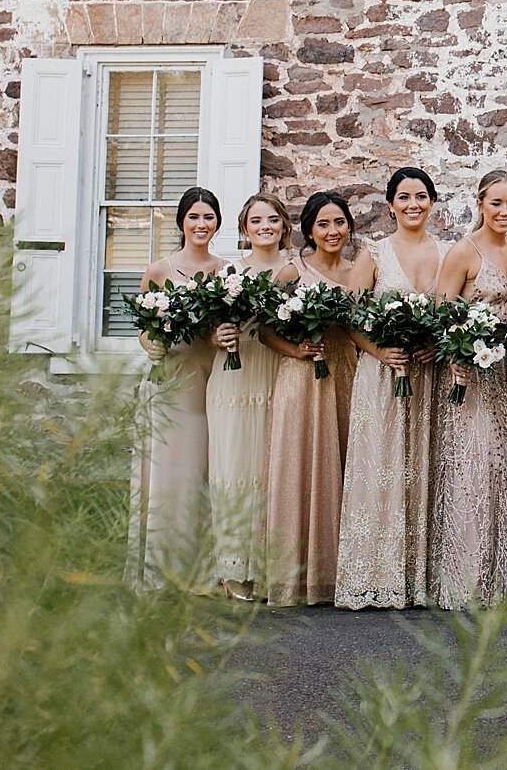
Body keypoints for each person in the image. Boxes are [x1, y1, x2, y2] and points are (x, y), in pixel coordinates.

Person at [337, 167, 440, 610]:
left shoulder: (447, 250)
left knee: (420, 467)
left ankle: (415, 578)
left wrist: (434, 346)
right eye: (404, 197)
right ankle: (372, 575)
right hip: (381, 375)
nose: (412, 204)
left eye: (420, 196)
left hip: (424, 376)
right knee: (379, 467)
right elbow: (351, 317)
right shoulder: (374, 254)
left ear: (432, 202)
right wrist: (380, 352)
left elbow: (452, 312)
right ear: (391, 204)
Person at [430, 169, 507, 610]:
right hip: (469, 375)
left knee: (505, 469)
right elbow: (442, 311)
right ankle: (464, 582)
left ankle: (498, 582)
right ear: (480, 204)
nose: (504, 212)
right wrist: (457, 358)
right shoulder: (463, 252)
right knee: (471, 470)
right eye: (496, 203)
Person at [264, 190, 366, 607]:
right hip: (303, 376)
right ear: (308, 230)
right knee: (302, 466)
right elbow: (265, 330)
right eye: (323, 224)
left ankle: (338, 573)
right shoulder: (292, 272)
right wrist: (296, 350)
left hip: (345, 371)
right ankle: (295, 577)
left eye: (339, 222)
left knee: (343, 466)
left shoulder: (358, 272)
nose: (332, 231)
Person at [132, 186, 223, 589]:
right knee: (170, 471)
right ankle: (163, 569)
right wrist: (152, 343)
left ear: (217, 223)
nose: (201, 224)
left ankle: (202, 568)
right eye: (194, 217)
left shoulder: (226, 272)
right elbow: (143, 327)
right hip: (172, 376)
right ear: (182, 222)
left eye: (208, 217)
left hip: (211, 376)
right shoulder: (159, 270)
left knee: (205, 469)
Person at [207, 192, 292, 601]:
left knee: (271, 470)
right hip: (236, 377)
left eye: (272, 220)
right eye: (256, 221)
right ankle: (234, 566)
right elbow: (209, 326)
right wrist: (216, 335)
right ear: (244, 229)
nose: (265, 227)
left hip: (278, 371)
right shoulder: (229, 274)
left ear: (284, 226)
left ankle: (270, 567)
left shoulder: (295, 272)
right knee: (235, 466)